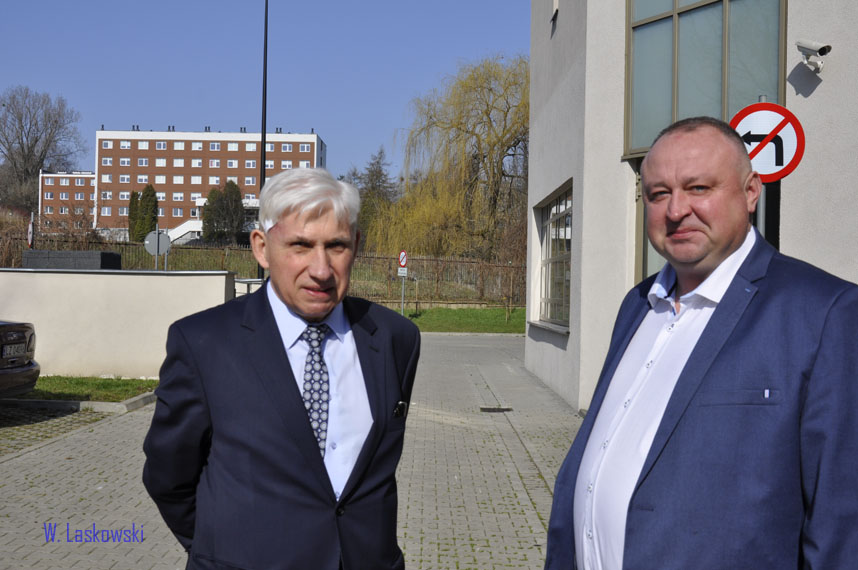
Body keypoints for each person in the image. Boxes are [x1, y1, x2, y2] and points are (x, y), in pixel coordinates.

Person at [544, 116, 858, 569]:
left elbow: (841, 526)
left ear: (751, 192)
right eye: (658, 194)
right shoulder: (637, 304)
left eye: (698, 188)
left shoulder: (825, 312)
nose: (676, 211)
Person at [143, 167, 421, 570]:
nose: (321, 269)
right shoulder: (204, 343)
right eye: (300, 246)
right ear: (261, 248)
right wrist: (222, 550)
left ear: (356, 246)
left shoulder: (395, 338)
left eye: (336, 246)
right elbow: (169, 477)